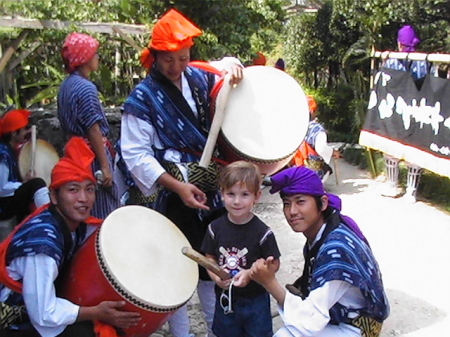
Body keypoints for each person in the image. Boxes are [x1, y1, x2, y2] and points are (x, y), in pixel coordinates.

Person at [119, 8, 243, 337]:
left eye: (183, 58)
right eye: (168, 60)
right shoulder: (142, 99)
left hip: (207, 188)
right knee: (174, 268)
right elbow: (134, 154)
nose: (176, 67)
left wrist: (230, 65)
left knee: (210, 264)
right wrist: (177, 186)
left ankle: (218, 329)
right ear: (154, 57)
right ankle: (182, 334)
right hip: (170, 195)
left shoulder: (198, 77)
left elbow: (223, 72)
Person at [0, 137, 140, 337]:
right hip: (14, 322)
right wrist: (95, 312)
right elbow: (43, 314)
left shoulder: (77, 225)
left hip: (38, 309)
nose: (83, 199)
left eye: (89, 190)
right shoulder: (42, 245)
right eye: (73, 190)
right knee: (99, 332)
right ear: (54, 196)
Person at [250, 166, 389, 337]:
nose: (292, 211)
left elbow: (311, 321)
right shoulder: (325, 230)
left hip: (356, 327)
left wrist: (269, 282)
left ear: (322, 203)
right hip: (340, 316)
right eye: (287, 203)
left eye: (300, 201)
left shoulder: (336, 249)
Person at [201, 161, 281, 337]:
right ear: (222, 194)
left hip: (256, 300)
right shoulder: (214, 228)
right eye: (231, 194)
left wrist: (251, 273)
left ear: (256, 196)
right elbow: (209, 259)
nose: (237, 201)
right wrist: (216, 277)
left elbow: (274, 264)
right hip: (226, 300)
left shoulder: (263, 233)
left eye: (245, 194)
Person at [57, 32, 119, 219]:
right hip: (90, 156)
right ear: (84, 58)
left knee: (81, 205)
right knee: (101, 206)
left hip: (74, 153)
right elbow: (93, 128)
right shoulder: (85, 88)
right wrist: (104, 166)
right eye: (94, 53)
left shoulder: (66, 86)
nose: (97, 57)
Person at [381, 25, 427, 202]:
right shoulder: (422, 61)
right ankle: (411, 191)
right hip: (417, 110)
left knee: (392, 147)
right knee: (413, 149)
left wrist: (385, 60)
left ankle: (393, 185)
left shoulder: (393, 60)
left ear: (399, 43)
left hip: (397, 111)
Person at [0, 109, 50, 224]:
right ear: (14, 133)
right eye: (24, 129)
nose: (26, 132)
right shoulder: (2, 153)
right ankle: (50, 218)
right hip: (3, 205)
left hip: (7, 201)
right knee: (37, 183)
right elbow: (1, 188)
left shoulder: (9, 149)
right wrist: (24, 184)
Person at [290, 95, 340, 182]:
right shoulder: (316, 129)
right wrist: (332, 152)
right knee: (327, 169)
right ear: (312, 111)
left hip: (296, 169)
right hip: (311, 171)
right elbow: (321, 148)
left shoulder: (295, 127)